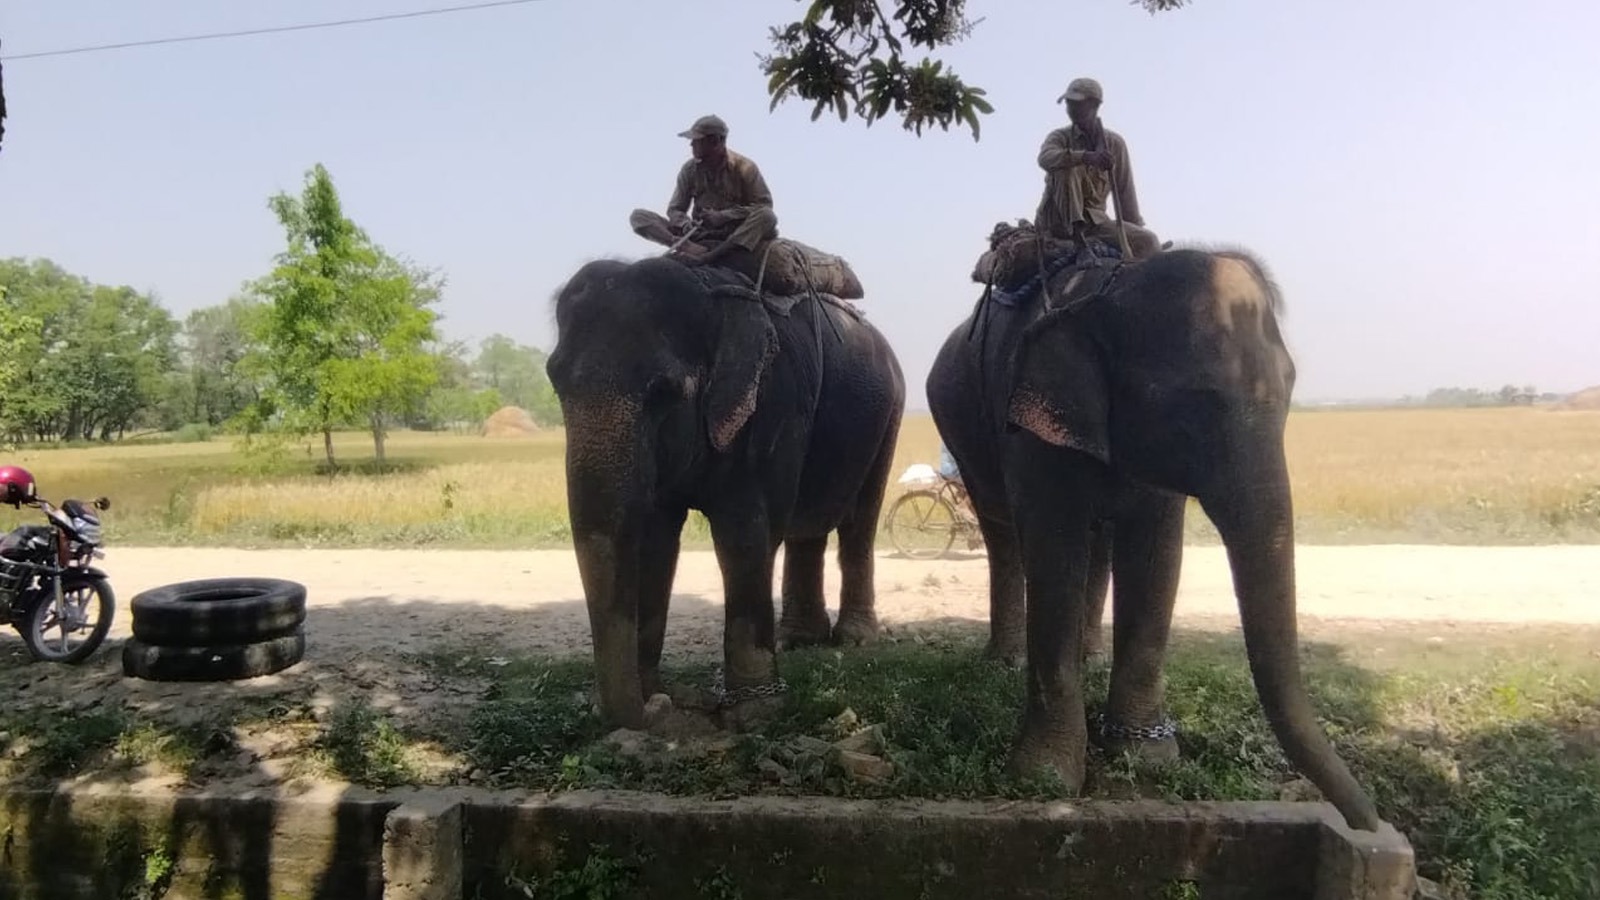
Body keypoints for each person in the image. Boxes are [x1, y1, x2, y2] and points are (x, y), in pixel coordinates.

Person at [1034, 77, 1162, 264]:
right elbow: (1045, 158)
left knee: (1149, 240)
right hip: (1058, 224)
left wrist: (1135, 233)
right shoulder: (1059, 137)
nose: (1071, 109)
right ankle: (1079, 244)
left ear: (1094, 105)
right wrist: (1085, 157)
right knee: (1068, 168)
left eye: (1077, 104)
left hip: (1096, 223)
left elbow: (1126, 193)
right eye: (1069, 103)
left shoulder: (1115, 144)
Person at [629, 114, 779, 272]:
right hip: (699, 234)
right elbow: (675, 209)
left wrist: (723, 216)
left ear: (715, 141)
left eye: (697, 140)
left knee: (767, 216)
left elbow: (764, 205)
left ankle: (710, 256)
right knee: (639, 216)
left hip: (733, 233)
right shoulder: (689, 169)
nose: (691, 144)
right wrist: (685, 224)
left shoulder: (745, 168)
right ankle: (684, 245)